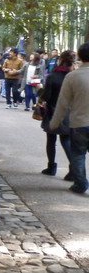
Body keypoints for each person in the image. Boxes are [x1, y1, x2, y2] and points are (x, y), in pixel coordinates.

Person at [50, 42, 89, 195]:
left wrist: (55, 122)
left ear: (79, 56)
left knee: (78, 154)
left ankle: (80, 184)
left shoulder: (72, 76)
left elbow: (63, 103)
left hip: (79, 123)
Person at [38, 50, 74, 177]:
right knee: (66, 140)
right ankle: (74, 169)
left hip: (53, 110)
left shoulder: (53, 76)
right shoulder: (73, 75)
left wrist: (40, 94)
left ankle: (51, 167)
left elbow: (47, 96)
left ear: (60, 60)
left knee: (51, 140)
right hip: (70, 112)